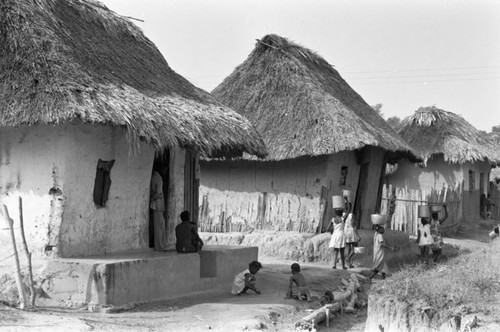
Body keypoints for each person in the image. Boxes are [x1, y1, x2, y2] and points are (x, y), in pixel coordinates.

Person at [327, 196, 351, 270]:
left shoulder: (333, 219)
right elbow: (349, 210)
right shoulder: (343, 219)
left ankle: (334, 265)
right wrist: (346, 200)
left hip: (335, 235)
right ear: (341, 213)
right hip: (341, 235)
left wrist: (332, 232)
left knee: (336, 251)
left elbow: (328, 228)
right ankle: (343, 266)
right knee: (342, 252)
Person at [150, 170, 167, 251]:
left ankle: (160, 245)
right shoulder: (157, 178)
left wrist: (152, 198)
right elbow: (159, 194)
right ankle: (160, 246)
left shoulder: (155, 177)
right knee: (160, 226)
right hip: (158, 205)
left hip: (157, 206)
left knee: (159, 225)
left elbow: (157, 194)